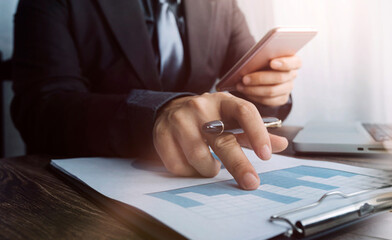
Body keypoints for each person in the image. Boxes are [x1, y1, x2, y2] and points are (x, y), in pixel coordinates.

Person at [11, 0, 296, 190]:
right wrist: (158, 110)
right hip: (78, 191)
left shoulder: (221, 4)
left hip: (197, 179)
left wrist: (271, 91)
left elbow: (242, 88)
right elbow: (40, 108)